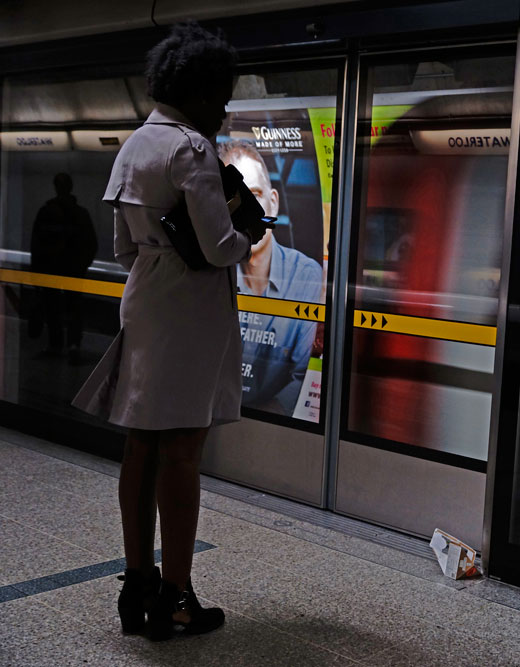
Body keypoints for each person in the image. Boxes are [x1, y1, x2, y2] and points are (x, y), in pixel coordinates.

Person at [71, 23, 269, 641]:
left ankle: (138, 586)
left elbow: (124, 246)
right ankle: (178, 598)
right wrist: (250, 238)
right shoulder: (192, 149)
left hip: (147, 299)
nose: (225, 108)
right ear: (204, 92)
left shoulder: (133, 146)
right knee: (183, 452)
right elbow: (216, 247)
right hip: (190, 309)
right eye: (223, 96)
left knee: (141, 447)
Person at [217, 140, 322, 415]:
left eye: (255, 194)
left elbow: (302, 377)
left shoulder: (307, 275)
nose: (247, 212)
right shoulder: (211, 273)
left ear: (272, 203)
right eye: (234, 200)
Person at [29, 173, 97, 361]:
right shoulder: (80, 214)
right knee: (73, 308)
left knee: (52, 308)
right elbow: (91, 243)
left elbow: (37, 244)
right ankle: (73, 345)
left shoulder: (46, 212)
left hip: (50, 270)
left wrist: (36, 273)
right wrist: (81, 266)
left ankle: (55, 345)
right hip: (73, 271)